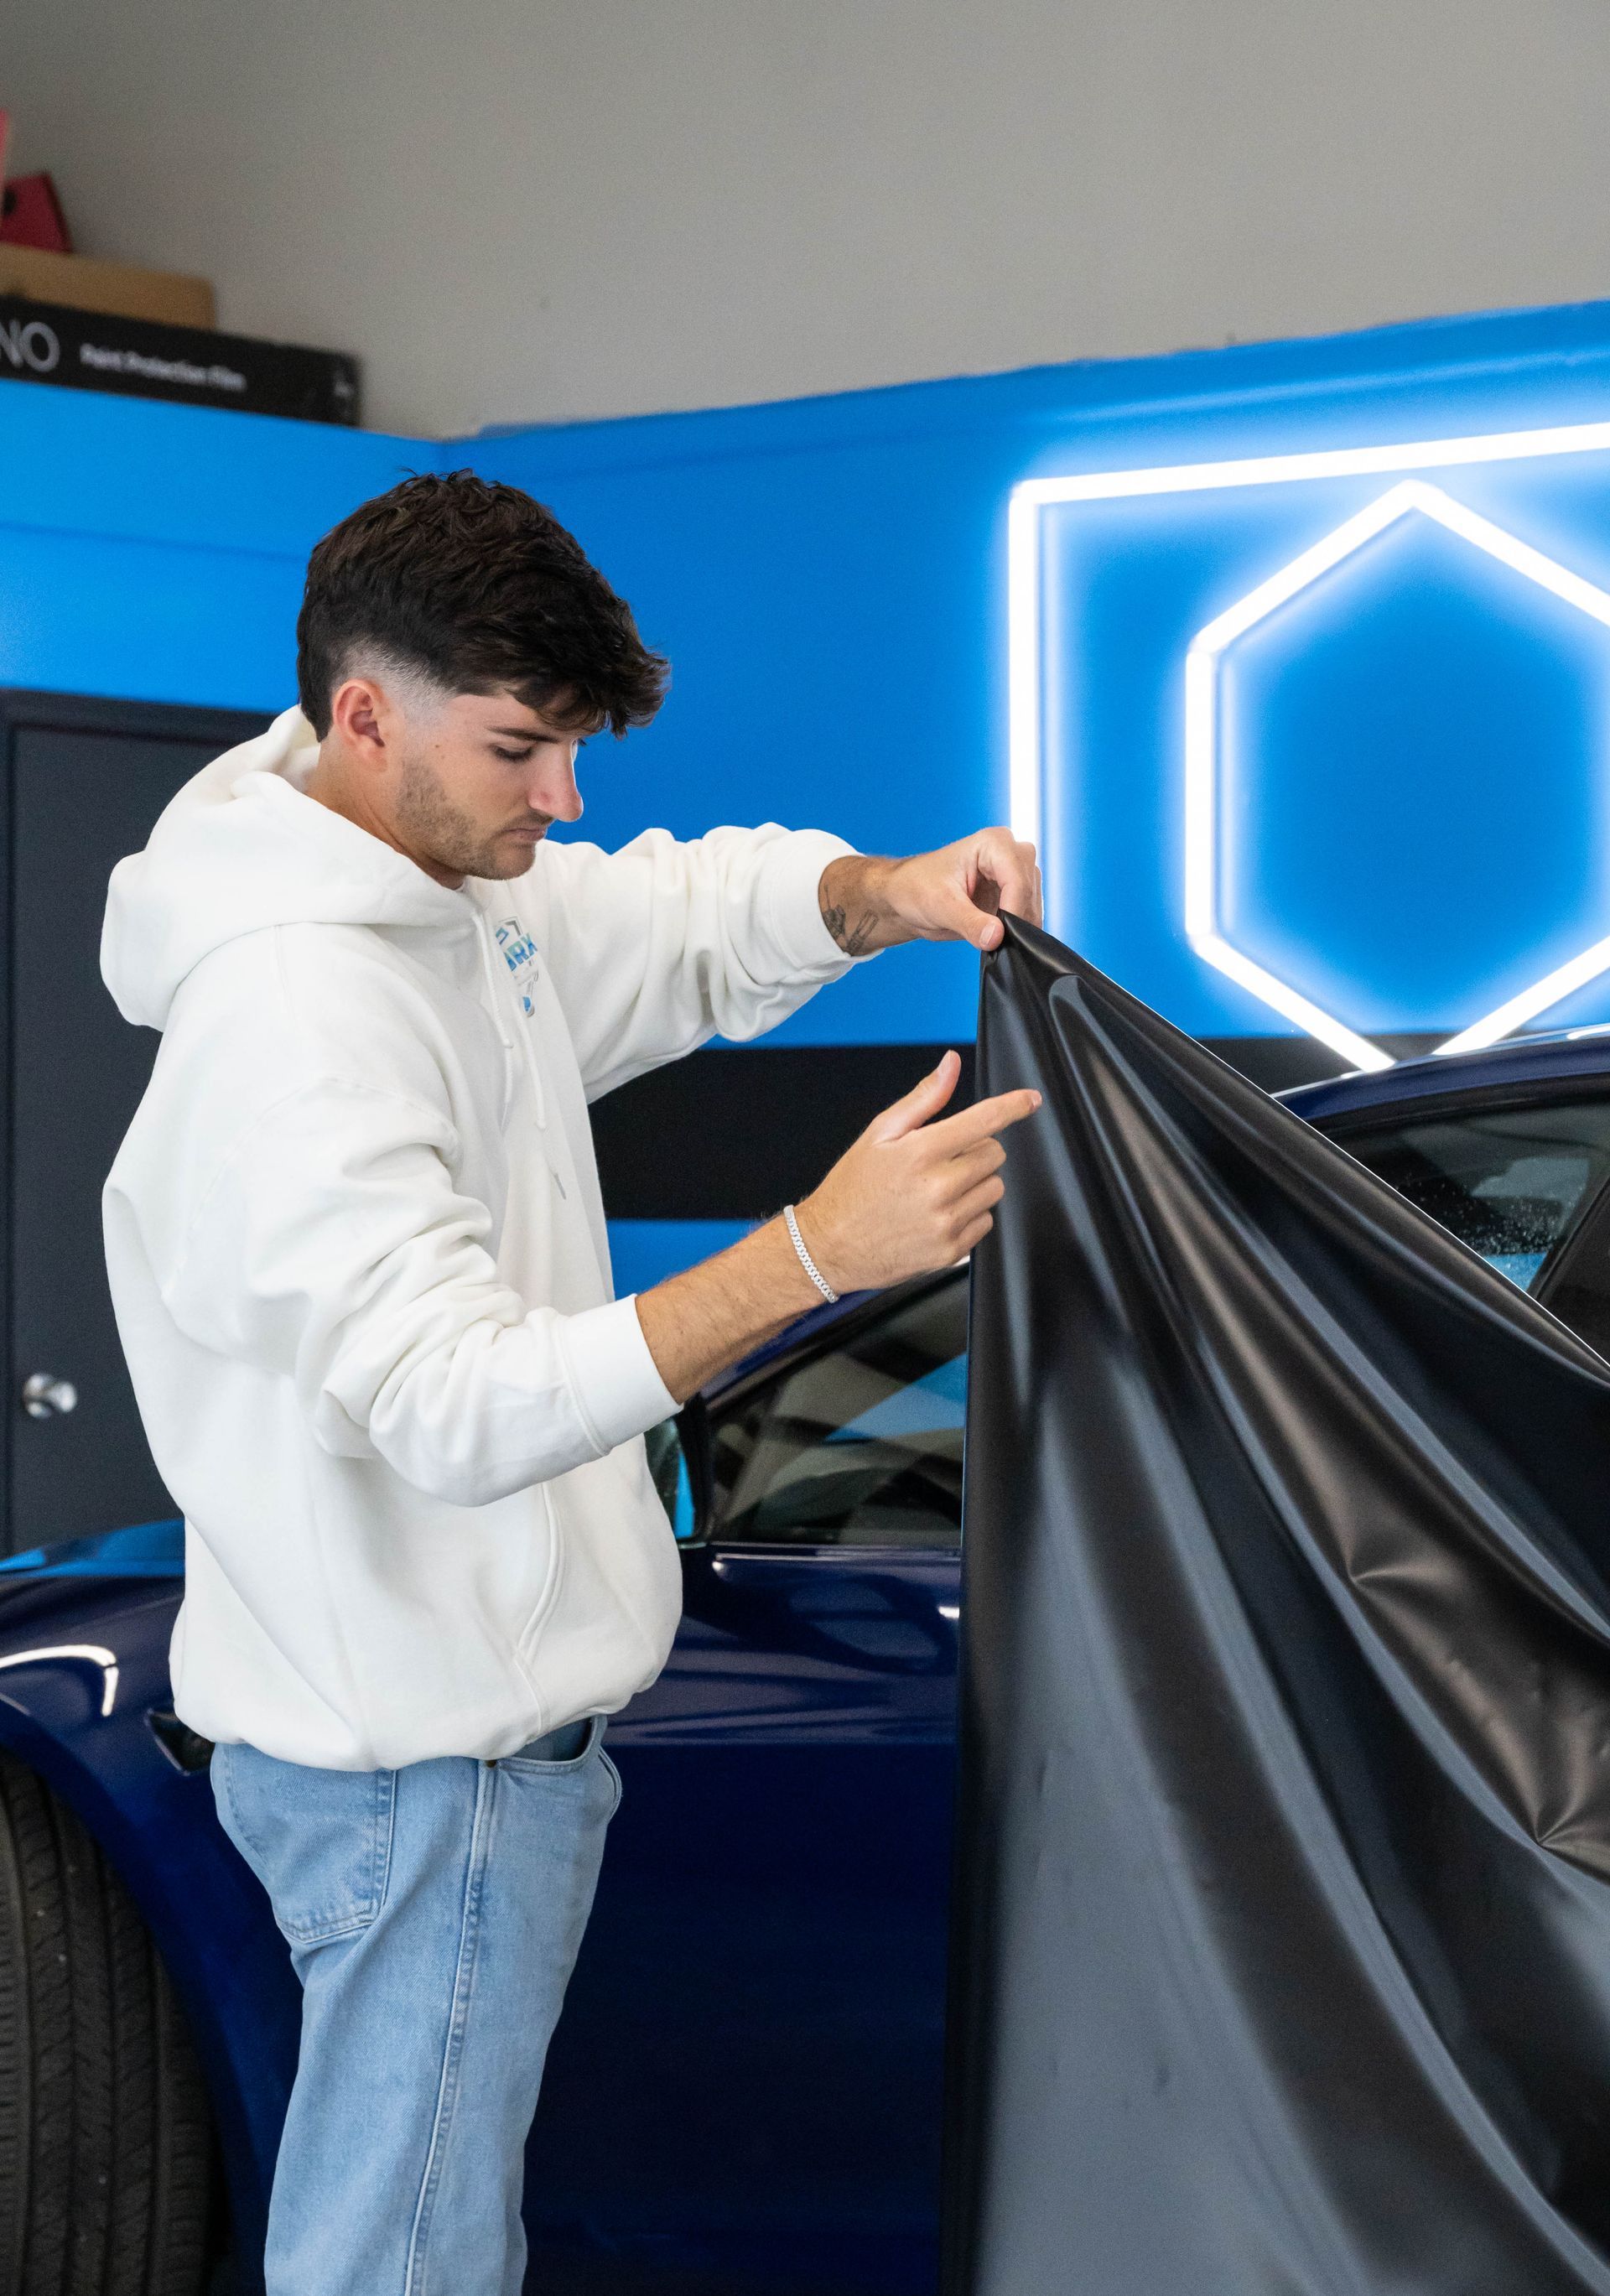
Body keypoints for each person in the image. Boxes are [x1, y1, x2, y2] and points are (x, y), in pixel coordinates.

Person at [99, 471, 1041, 2296]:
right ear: (366, 715)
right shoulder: (301, 1016)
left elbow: (676, 920)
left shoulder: (448, 894)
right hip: (425, 1770)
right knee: (404, 2260)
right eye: (523, 749)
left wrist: (887, 893)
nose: (566, 799)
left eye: (575, 748)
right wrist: (817, 1253)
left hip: (463, 1752)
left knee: (420, 2236)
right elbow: (455, 1402)